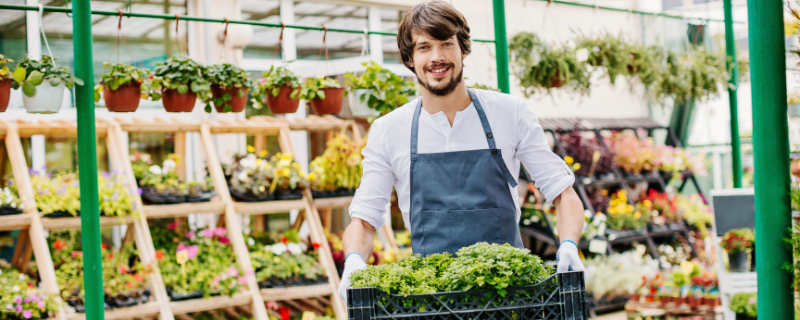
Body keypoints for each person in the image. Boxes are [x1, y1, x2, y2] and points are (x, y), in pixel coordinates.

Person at [337, 0, 586, 301]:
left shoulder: (510, 113)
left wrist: (569, 245)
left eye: (446, 44)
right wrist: (353, 260)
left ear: (463, 49)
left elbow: (562, 192)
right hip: (431, 300)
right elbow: (363, 220)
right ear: (410, 58)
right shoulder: (390, 130)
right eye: (424, 47)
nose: (437, 57)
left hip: (511, 296)